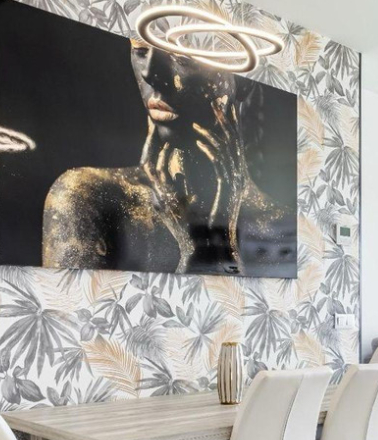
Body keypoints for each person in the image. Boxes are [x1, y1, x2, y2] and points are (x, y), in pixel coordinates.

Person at [42, 37, 294, 275]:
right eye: (140, 51)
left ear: (244, 80)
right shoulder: (86, 195)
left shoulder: (284, 227)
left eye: (183, 58)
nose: (150, 73)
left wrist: (212, 252)